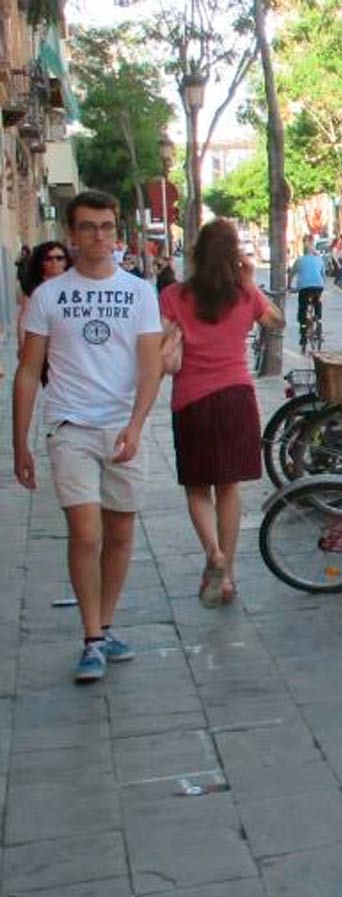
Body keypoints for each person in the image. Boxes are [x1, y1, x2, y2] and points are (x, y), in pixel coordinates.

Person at [11, 190, 163, 683]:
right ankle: (91, 638)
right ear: (71, 233)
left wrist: (136, 425)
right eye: (88, 227)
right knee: (86, 532)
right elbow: (28, 372)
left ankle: (107, 623)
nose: (99, 236)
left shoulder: (139, 292)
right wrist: (19, 443)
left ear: (117, 231)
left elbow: (150, 366)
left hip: (122, 428)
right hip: (70, 427)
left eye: (106, 226)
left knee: (119, 533)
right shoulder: (48, 296)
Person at [160, 220, 283, 607]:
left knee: (197, 488)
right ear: (234, 256)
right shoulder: (244, 296)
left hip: (191, 401)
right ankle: (226, 573)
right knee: (229, 488)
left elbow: (159, 344)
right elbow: (276, 322)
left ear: (196, 254)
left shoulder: (173, 296)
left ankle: (212, 552)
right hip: (237, 398)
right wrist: (250, 283)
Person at [16, 241, 71, 359]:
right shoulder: (32, 286)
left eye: (59, 258)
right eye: (48, 258)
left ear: (66, 261)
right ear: (41, 261)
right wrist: (22, 345)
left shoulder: (74, 284)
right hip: (41, 341)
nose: (54, 262)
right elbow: (24, 316)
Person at [290, 236, 326, 352]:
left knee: (303, 310)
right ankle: (319, 320)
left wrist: (289, 286)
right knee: (317, 302)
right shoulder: (319, 259)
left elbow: (291, 274)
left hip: (304, 288)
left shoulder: (299, 260)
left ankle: (303, 335)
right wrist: (322, 285)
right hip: (318, 287)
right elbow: (323, 275)